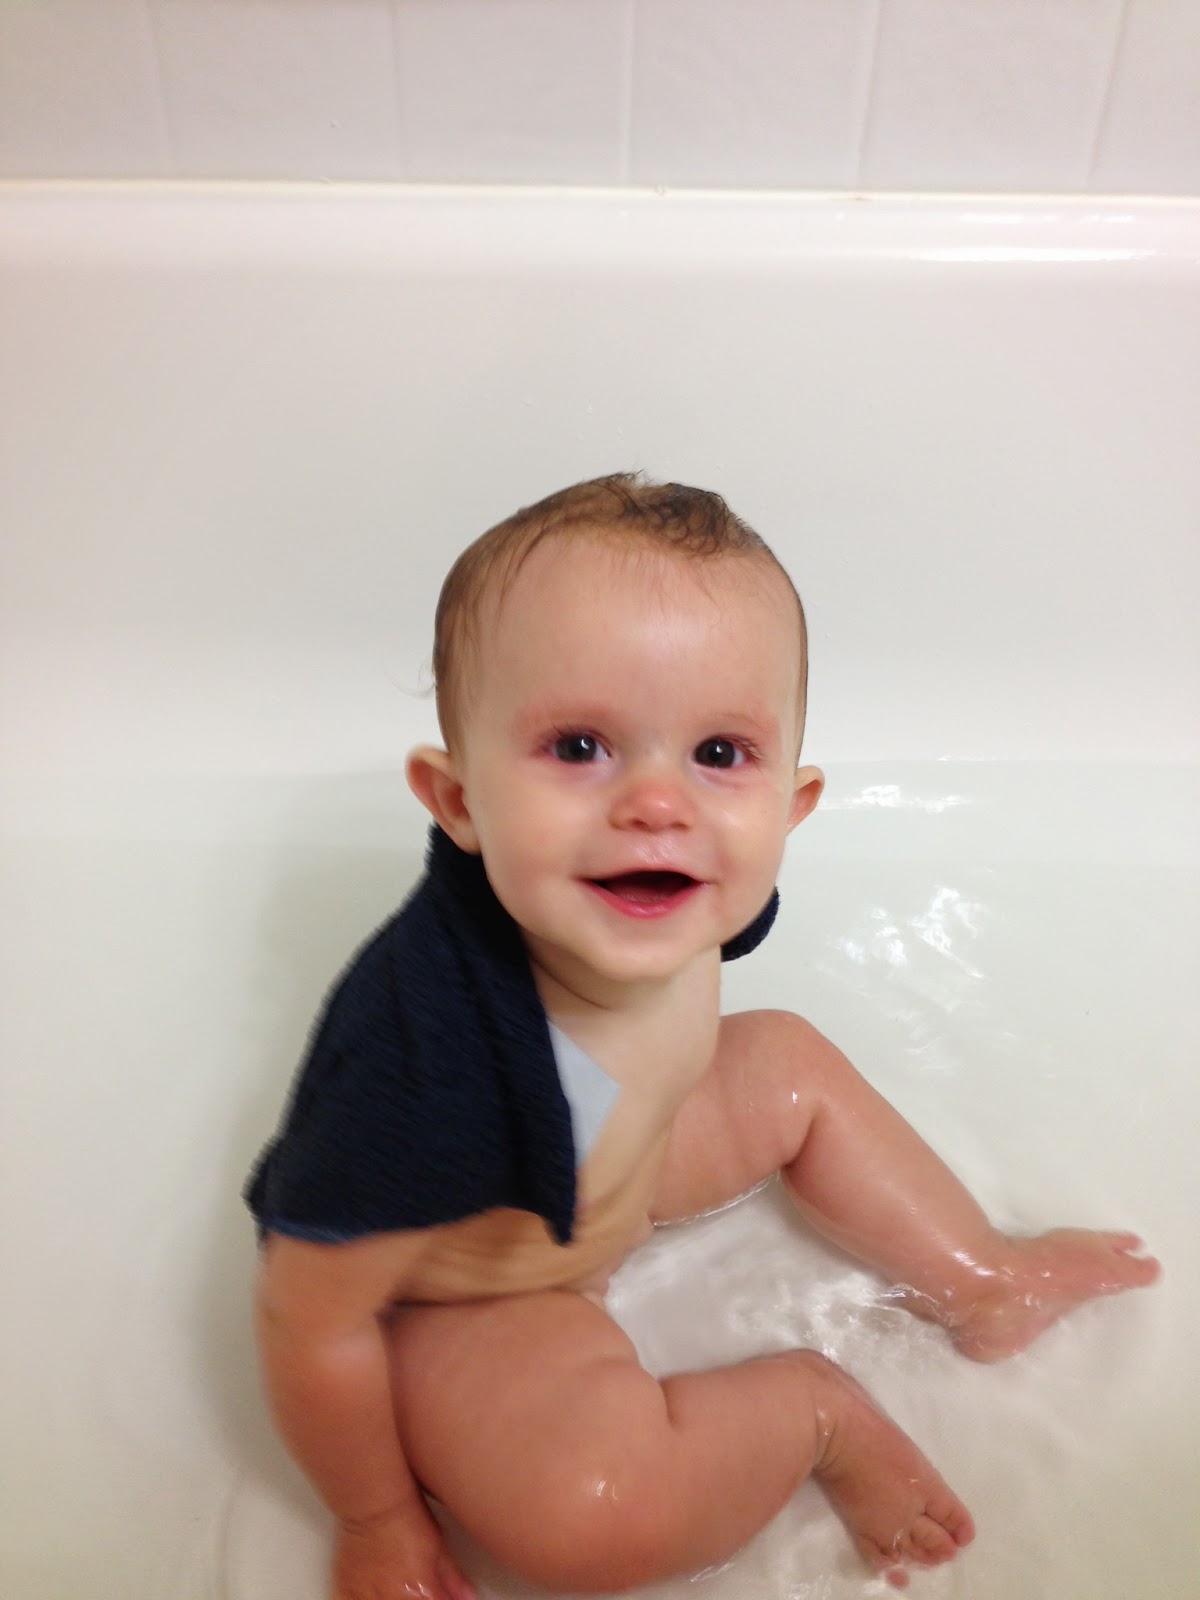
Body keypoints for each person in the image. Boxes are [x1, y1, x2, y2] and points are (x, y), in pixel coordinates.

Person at [246, 474, 1159, 1600]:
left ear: (792, 808)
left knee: (785, 1064)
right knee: (588, 1525)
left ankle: (984, 1276)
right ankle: (814, 1411)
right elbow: (309, 1316)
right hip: (485, 1289)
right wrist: (377, 1520)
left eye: (720, 755)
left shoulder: (667, 888)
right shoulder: (418, 1068)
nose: (658, 804)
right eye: (580, 745)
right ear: (459, 799)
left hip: (619, 1165)